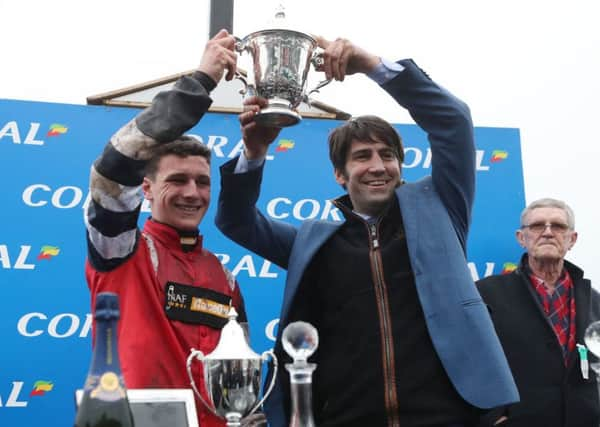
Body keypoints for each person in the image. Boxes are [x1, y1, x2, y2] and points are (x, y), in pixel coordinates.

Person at [216, 35, 518, 427]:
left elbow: (453, 120)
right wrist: (254, 152)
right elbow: (237, 220)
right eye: (362, 157)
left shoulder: (441, 209)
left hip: (447, 419)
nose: (377, 166)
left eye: (387, 155)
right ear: (341, 175)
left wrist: (372, 65)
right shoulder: (314, 243)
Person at [84, 30, 250, 427]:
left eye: (203, 181)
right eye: (177, 180)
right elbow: (113, 167)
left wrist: (245, 412)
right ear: (147, 187)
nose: (192, 192)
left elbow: (239, 384)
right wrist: (201, 83)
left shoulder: (224, 278)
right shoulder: (120, 250)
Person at [476, 198, 600, 427]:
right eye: (537, 226)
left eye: (559, 226)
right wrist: (492, 418)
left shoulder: (594, 300)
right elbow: (470, 361)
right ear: (521, 238)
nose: (548, 232)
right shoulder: (486, 293)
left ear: (571, 239)